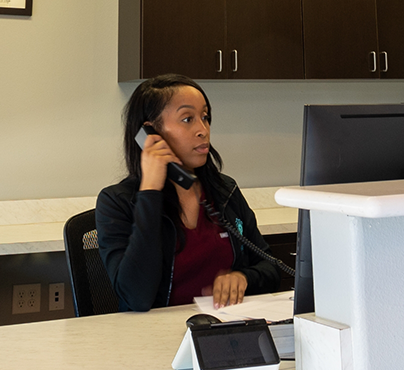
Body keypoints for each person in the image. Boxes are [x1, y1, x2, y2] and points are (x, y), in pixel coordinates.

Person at [95, 74, 282, 312]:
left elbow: (272, 268)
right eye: (187, 119)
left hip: (224, 329)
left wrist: (244, 278)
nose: (203, 130)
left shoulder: (224, 191)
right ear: (151, 134)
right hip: (154, 339)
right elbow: (136, 297)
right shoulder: (117, 202)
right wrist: (150, 191)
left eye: (205, 117)